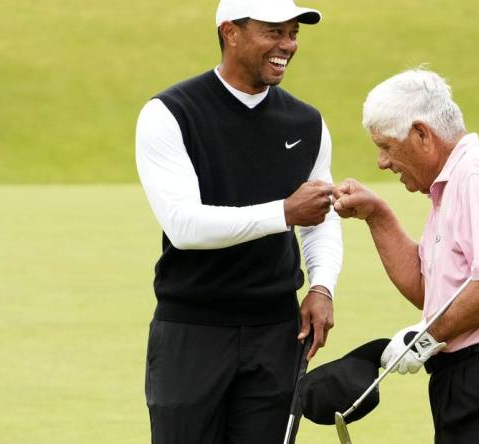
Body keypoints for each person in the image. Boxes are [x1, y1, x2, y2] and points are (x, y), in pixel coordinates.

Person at [134, 0, 342, 442]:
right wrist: (284, 212)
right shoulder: (170, 113)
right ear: (230, 32)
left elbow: (319, 217)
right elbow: (184, 227)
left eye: (293, 33)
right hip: (192, 330)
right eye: (273, 32)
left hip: (276, 331)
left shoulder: (308, 122)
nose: (287, 45)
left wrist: (322, 286)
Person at [333, 69, 479, 443]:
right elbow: (432, 294)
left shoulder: (478, 174)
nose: (382, 161)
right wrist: (377, 216)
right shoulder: (449, 187)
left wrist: (427, 338)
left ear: (422, 134)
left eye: (386, 146)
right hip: (475, 373)